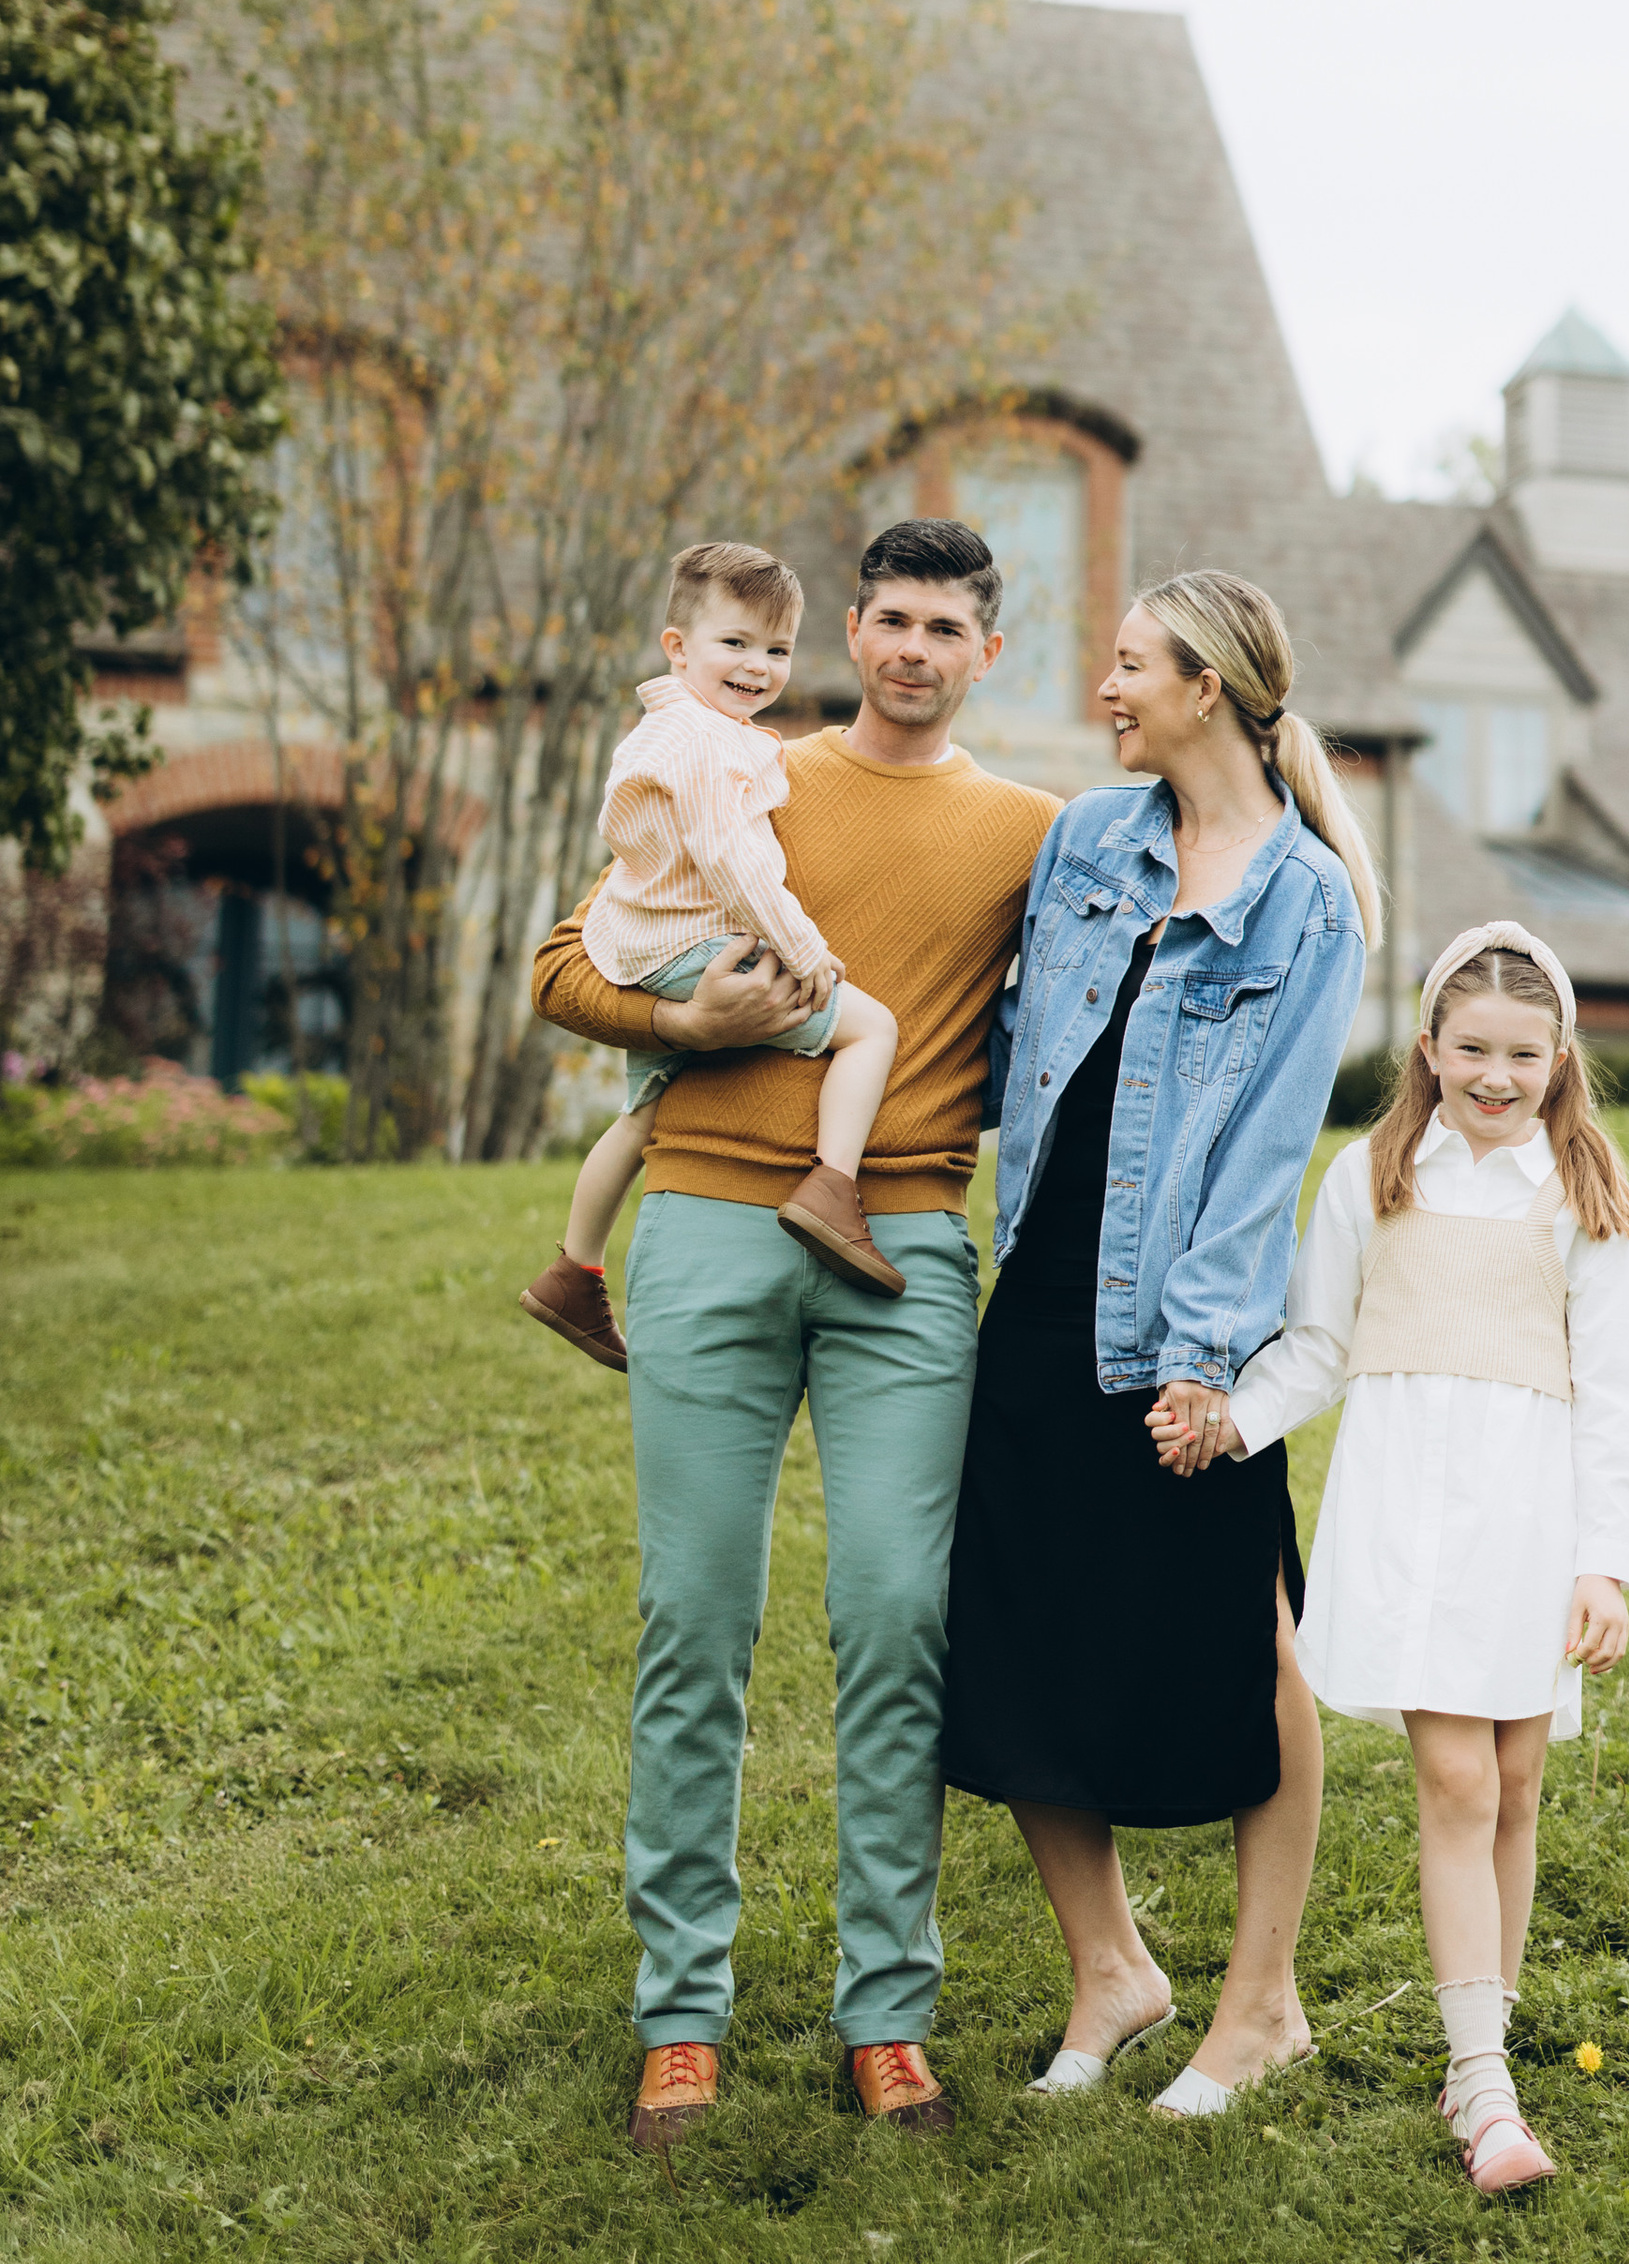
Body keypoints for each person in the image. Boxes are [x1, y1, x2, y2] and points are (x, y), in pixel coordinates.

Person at [525, 519, 1058, 2156]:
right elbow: (562, 965)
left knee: (899, 1616)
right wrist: (680, 1021)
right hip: (702, 1226)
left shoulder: (1034, 833)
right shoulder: (746, 766)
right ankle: (680, 2014)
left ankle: (884, 2009)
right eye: (887, 618)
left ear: (986, 649)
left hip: (902, 1243)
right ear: (851, 626)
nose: (909, 647)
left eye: (943, 626)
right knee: (696, 1620)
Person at [938, 569, 1373, 2118]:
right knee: (1012, 1627)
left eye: (1128, 667)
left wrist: (1201, 1359)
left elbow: (1263, 1152)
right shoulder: (1084, 843)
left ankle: (1262, 2006)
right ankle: (1111, 1968)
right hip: (1040, 1291)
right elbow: (1002, 1046)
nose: (1103, 690)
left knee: (1249, 1646)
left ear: (1209, 687)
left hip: (1184, 1324)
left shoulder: (1308, 899)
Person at [1199, 922, 1629, 2194]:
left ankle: (1481, 2050)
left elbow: (1622, 1395)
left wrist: (1601, 1563)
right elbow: (1316, 1345)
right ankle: (1487, 2095)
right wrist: (1230, 1420)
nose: (1495, 1076)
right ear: (1429, 1047)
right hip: (1409, 1514)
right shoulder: (1373, 1175)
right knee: (1456, 1785)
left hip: (1529, 1519)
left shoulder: (1582, 1196)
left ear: (1560, 1056)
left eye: (1522, 1053)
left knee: (1514, 1787)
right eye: (1472, 1049)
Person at [519, 540, 905, 1362]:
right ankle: (834, 1188)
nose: (758, 667)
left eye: (776, 650)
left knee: (641, 1117)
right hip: (698, 949)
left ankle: (572, 1271)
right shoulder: (704, 743)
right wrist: (805, 949)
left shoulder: (677, 729)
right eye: (735, 644)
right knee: (872, 1030)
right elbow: (733, 859)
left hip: (646, 947)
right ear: (677, 646)